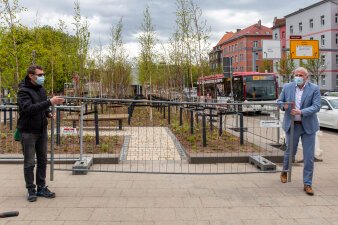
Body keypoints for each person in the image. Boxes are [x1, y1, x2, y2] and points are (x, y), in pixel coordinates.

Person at [17, 65, 64, 202]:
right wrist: (50, 102)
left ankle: (41, 187)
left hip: (42, 130)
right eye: (40, 74)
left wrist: (48, 113)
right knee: (29, 162)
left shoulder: (41, 89)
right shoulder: (23, 92)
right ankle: (31, 189)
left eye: (43, 74)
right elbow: (29, 109)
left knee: (43, 160)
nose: (42, 76)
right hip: (28, 132)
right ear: (31, 76)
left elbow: (42, 106)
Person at [277, 67, 321, 196]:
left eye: (301, 75)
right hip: (292, 125)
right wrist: (283, 105)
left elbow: (316, 106)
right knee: (290, 152)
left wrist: (301, 112)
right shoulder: (287, 87)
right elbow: (279, 101)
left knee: (308, 157)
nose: (298, 77)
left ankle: (307, 183)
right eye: (296, 74)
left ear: (306, 77)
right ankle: (285, 171)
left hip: (308, 127)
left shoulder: (314, 88)